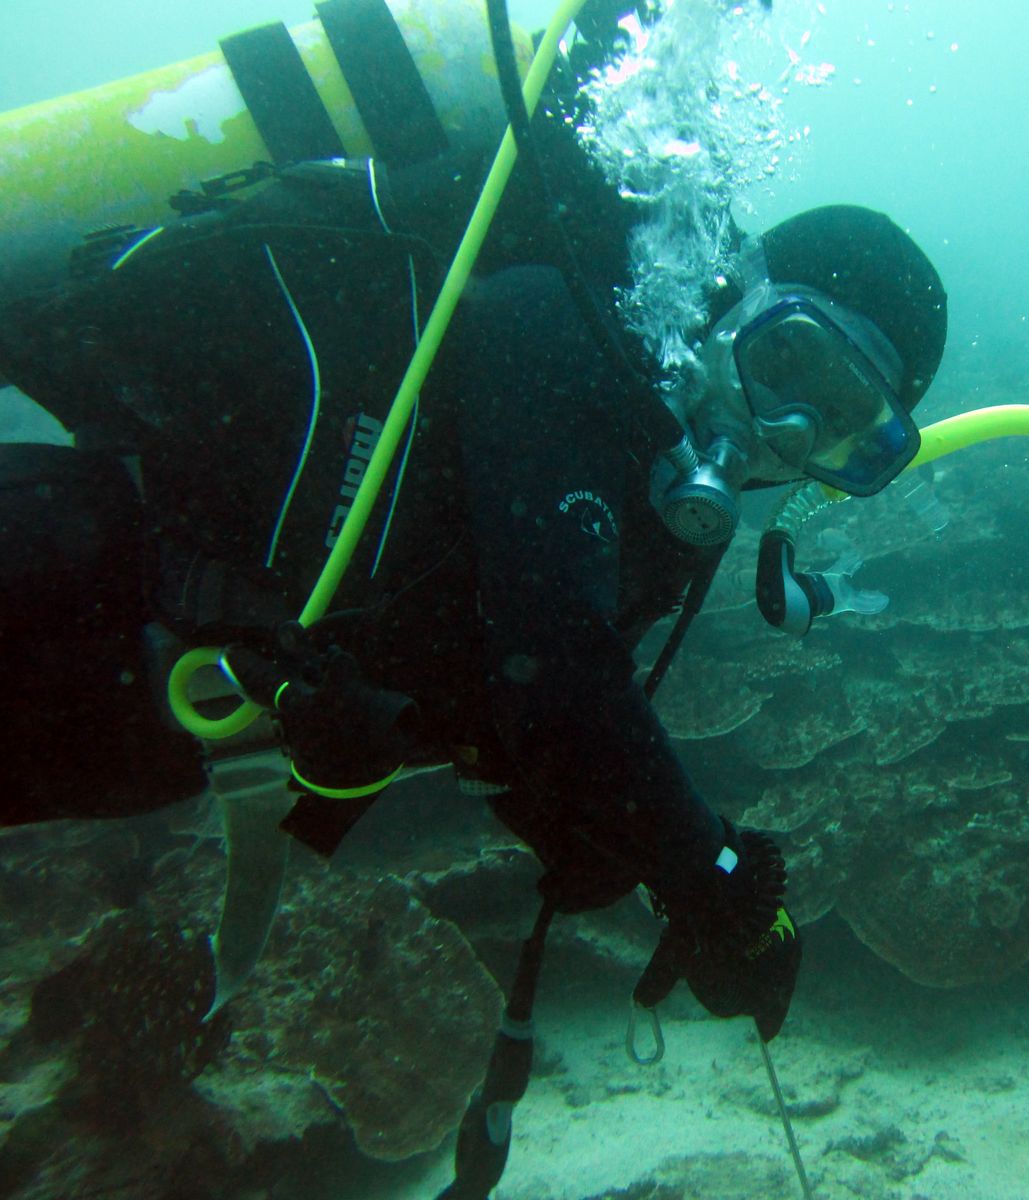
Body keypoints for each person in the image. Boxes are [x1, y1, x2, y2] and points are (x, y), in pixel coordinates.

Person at [0, 3, 949, 1191]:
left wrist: (603, 843)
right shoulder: (556, 322)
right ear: (728, 297)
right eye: (790, 361)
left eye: (849, 432)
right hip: (77, 570)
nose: (786, 426)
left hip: (150, 711)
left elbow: (505, 693)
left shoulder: (653, 495)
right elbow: (554, 669)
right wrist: (715, 885)